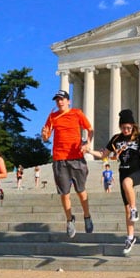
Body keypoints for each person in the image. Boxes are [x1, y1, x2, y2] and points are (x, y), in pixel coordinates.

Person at [86, 109, 140, 254]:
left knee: (127, 185)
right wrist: (89, 151)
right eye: (124, 128)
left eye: (129, 128)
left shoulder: (139, 137)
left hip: (137, 172)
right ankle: (130, 237)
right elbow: (103, 155)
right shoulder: (116, 139)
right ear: (120, 126)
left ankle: (135, 209)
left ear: (133, 126)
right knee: (126, 209)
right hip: (123, 173)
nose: (126, 130)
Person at [41, 89, 94, 238]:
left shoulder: (77, 113)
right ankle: (70, 219)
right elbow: (45, 136)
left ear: (68, 101)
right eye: (57, 100)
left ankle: (87, 216)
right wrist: (44, 136)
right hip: (59, 158)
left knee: (81, 190)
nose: (59, 102)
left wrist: (87, 143)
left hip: (76, 156)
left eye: (62, 99)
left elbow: (90, 129)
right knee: (64, 193)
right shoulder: (52, 117)